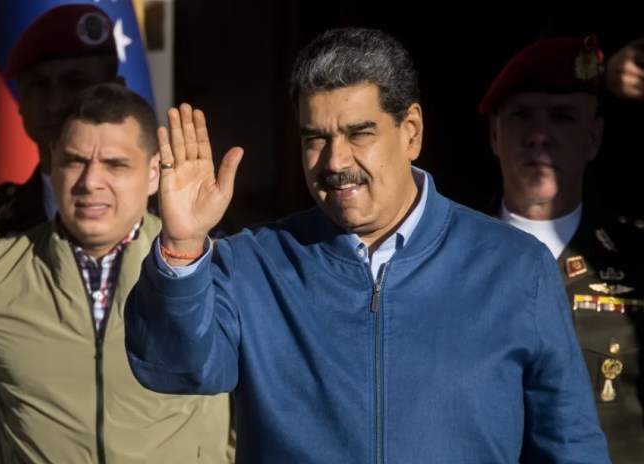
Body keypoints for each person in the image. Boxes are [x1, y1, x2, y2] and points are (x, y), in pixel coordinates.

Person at [123, 27, 610, 463]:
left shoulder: (515, 268)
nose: (336, 160)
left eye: (359, 133)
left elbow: (569, 445)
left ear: (411, 132)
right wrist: (183, 244)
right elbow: (175, 369)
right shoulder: (255, 264)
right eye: (315, 137)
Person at [0, 82, 233, 463]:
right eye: (74, 161)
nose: (90, 182)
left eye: (115, 164)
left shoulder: (209, 269)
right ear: (51, 162)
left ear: (153, 174)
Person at [0, 5, 126, 462]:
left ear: (115, 91)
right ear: (18, 101)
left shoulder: (171, 218)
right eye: (36, 86)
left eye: (73, 82)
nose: (52, 103)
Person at [478, 34, 644, 463]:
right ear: (495, 134)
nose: (539, 136)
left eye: (562, 117)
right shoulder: (446, 257)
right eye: (521, 115)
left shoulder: (639, 259)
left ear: (593, 138)